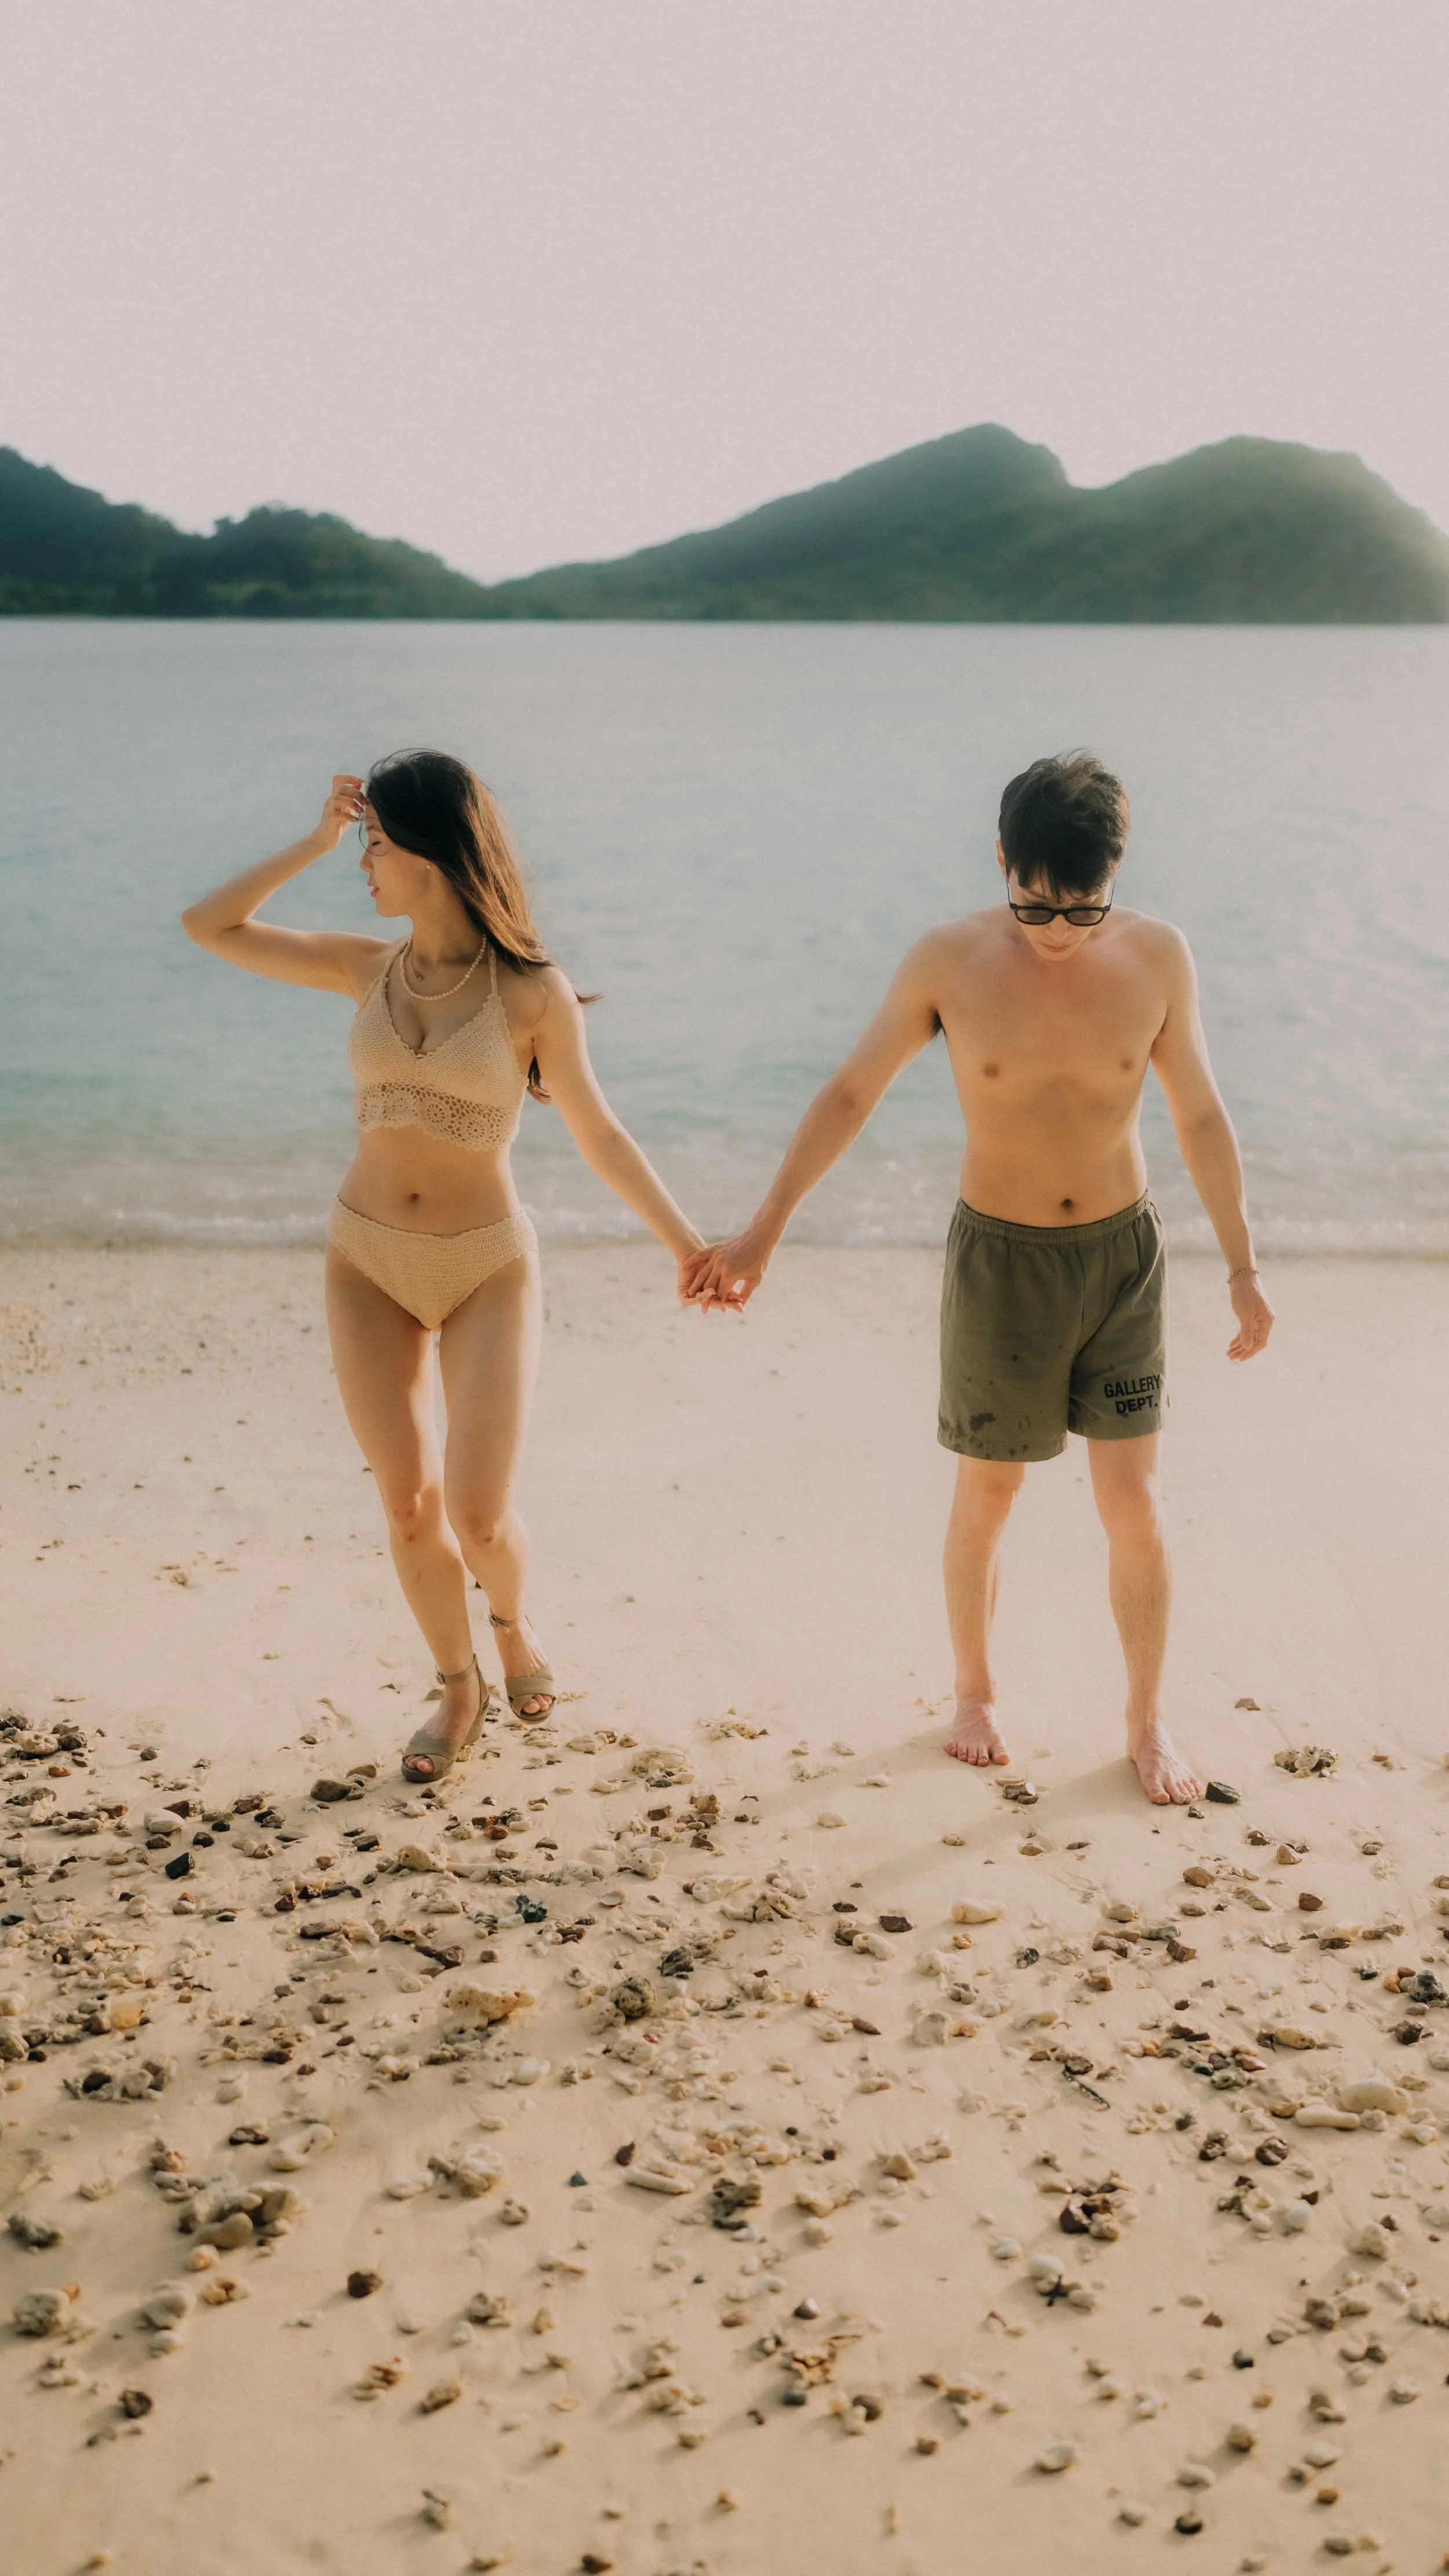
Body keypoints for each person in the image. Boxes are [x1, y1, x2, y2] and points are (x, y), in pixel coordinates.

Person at [683, 751, 1273, 1805]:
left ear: (1115, 875)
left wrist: (1243, 1266)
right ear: (1003, 861)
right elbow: (852, 1091)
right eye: (1037, 909)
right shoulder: (948, 960)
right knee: (990, 1492)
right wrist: (764, 1230)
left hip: (1122, 1260)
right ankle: (976, 1695)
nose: (1057, 936)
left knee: (1133, 1505)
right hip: (1001, 1262)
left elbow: (1201, 1115)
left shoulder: (1160, 957)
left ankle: (1146, 1721)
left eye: (1082, 914)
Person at [183, 751, 712, 1782]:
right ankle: (458, 1683)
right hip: (365, 1257)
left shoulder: (530, 992)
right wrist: (312, 840)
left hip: (485, 1267)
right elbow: (211, 927)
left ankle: (513, 1626)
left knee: (478, 1512)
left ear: (430, 849)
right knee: (409, 1506)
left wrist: (688, 1245)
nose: (364, 864)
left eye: (377, 843)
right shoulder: (363, 967)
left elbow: (600, 1135)